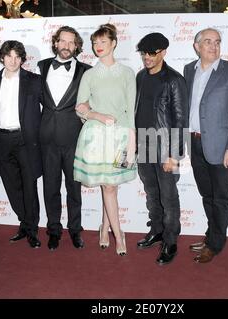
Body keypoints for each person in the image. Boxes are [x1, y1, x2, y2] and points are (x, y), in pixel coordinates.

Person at [183, 28, 228, 263]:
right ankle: (212, 235)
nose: (213, 46)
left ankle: (216, 244)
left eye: (217, 42)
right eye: (208, 42)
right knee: (207, 195)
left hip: (222, 148)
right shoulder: (189, 70)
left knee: (221, 197)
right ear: (197, 46)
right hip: (195, 142)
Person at [74, 23, 136, 256]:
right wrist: (97, 115)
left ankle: (105, 228)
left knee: (111, 186)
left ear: (114, 43)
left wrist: (132, 143)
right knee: (107, 185)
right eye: (95, 42)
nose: (98, 46)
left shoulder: (128, 73)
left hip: (121, 136)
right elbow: (80, 107)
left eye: (103, 42)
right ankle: (118, 236)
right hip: (96, 137)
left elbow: (131, 110)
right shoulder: (89, 74)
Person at [134, 33, 188, 265]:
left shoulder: (174, 80)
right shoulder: (140, 77)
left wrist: (174, 156)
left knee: (168, 197)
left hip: (165, 148)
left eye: (152, 53)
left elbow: (180, 120)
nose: (146, 57)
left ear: (163, 52)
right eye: (144, 53)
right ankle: (156, 231)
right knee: (152, 193)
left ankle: (171, 241)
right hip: (144, 144)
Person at [37, 26, 91, 251]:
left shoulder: (87, 71)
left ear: (77, 46)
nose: (66, 46)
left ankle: (76, 231)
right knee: (50, 187)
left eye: (71, 42)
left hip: (73, 139)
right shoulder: (41, 67)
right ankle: (54, 230)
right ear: (55, 43)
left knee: (74, 188)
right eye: (63, 41)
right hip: (47, 137)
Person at [0, 40, 43, 248]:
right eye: (9, 56)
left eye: (17, 56)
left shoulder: (34, 80)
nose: (13, 60)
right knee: (11, 186)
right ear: (2, 57)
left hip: (26, 140)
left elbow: (49, 108)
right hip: (2, 140)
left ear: (22, 59)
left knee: (29, 185)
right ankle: (24, 222)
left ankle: (32, 229)